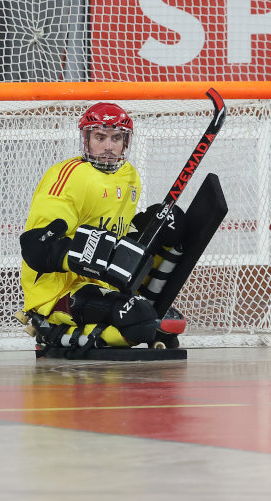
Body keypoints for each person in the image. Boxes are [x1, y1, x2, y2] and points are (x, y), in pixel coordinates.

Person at [18, 102, 186, 356]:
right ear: (86, 140)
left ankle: (134, 316)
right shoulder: (68, 176)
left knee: (173, 229)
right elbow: (36, 247)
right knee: (140, 322)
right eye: (100, 137)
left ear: (125, 142)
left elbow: (120, 231)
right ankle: (49, 329)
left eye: (116, 138)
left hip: (101, 282)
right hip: (58, 290)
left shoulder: (129, 176)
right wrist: (85, 255)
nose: (109, 146)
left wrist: (149, 226)